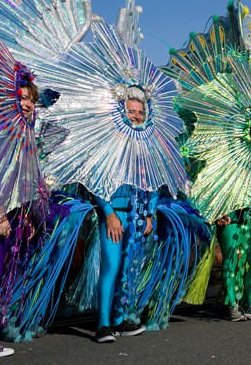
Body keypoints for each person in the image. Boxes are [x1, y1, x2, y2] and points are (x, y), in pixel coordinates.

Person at [0, 65, 39, 359]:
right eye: (22, 97)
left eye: (32, 99)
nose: (28, 103)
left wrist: (24, 215)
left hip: (5, 215)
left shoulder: (22, 137)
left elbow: (20, 182)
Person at [94, 92, 155, 343]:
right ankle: (103, 325)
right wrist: (108, 214)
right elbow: (96, 183)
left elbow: (153, 183)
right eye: (132, 111)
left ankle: (119, 321)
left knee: (129, 270)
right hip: (115, 216)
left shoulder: (146, 148)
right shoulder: (109, 145)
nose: (137, 116)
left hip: (138, 216)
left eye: (140, 112)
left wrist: (150, 213)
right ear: (121, 112)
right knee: (111, 267)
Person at [217, 120, 251, 322]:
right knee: (232, 262)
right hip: (231, 220)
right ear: (246, 137)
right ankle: (233, 305)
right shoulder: (231, 161)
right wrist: (219, 212)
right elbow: (218, 187)